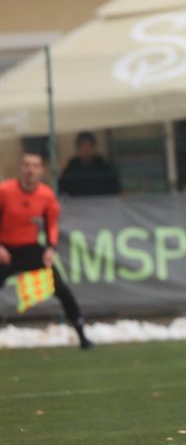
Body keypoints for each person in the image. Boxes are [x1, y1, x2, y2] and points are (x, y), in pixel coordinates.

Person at [1, 151, 92, 349]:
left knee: (60, 287)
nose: (30, 170)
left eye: (35, 166)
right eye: (26, 165)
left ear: (41, 170)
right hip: (5, 250)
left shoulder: (46, 195)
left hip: (31, 249)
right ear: (20, 168)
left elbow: (52, 225)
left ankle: (82, 335)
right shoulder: (5, 191)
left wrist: (50, 248)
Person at [58, 131, 121, 197]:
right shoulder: (71, 168)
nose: (86, 150)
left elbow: (114, 188)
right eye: (83, 147)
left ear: (93, 148)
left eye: (89, 146)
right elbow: (63, 190)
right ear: (78, 148)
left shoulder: (104, 167)